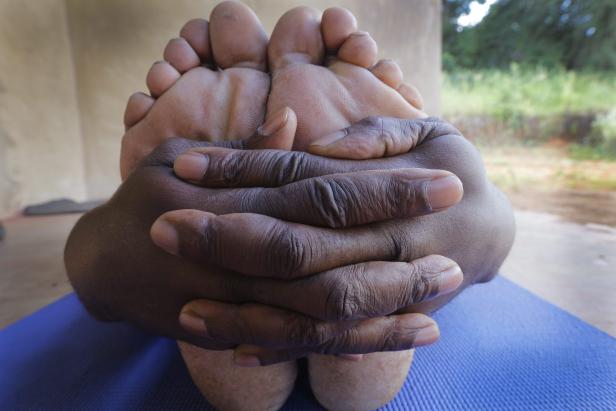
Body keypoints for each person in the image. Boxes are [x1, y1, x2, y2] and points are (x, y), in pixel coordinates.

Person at [65, 2, 515, 410]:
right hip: (430, 233)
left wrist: (110, 245)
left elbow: (93, 263)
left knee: (237, 375)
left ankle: (204, 221)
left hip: (178, 269)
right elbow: (493, 234)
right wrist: (479, 222)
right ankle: (370, 294)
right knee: (354, 397)